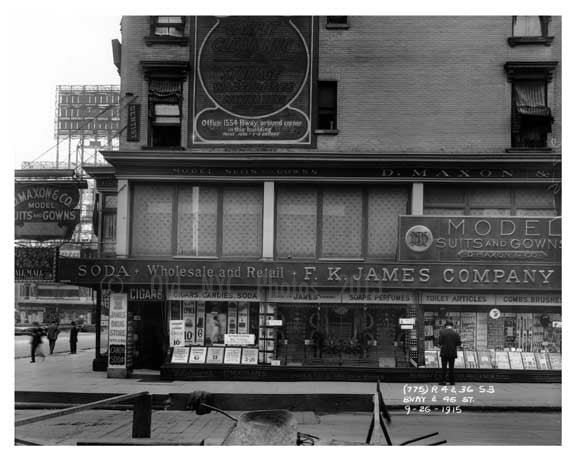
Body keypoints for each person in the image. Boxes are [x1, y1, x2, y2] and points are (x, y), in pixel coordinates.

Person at [438, 320, 462, 385]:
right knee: (451, 367)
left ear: (446, 326)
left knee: (444, 367)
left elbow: (440, 342)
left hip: (444, 352)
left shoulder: (442, 332)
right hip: (452, 352)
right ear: (452, 326)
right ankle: (452, 381)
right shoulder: (455, 333)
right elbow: (458, 343)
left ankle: (443, 381)